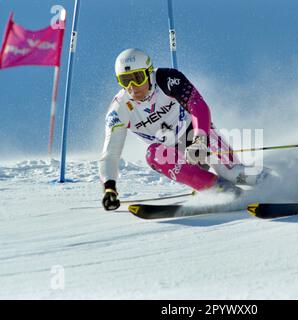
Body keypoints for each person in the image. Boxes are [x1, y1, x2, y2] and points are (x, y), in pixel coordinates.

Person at [99, 48, 267, 211]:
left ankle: (278, 181)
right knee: (154, 154)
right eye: (125, 80)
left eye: (137, 77)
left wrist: (199, 140)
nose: (133, 87)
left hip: (195, 132)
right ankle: (221, 189)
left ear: (149, 73)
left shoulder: (167, 79)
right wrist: (109, 188)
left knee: (232, 173)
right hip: (174, 153)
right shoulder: (119, 108)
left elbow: (198, 105)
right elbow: (110, 153)